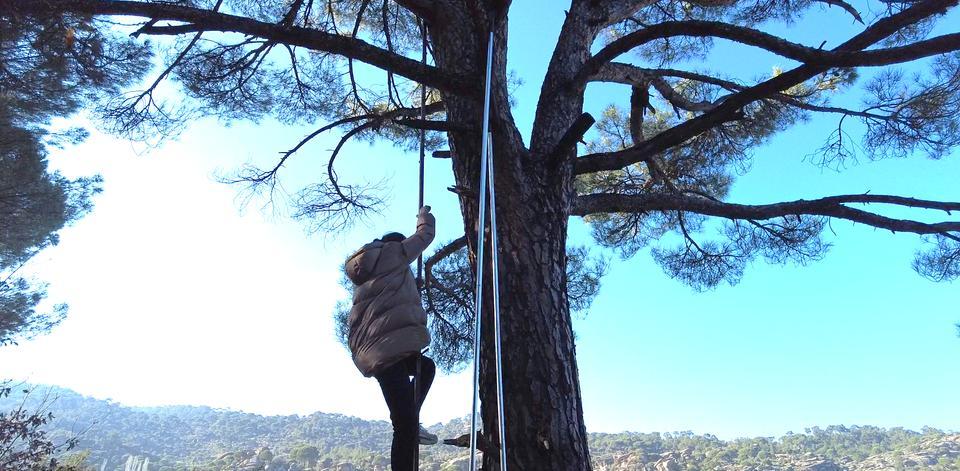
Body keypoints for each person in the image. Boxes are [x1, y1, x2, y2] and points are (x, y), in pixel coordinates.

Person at [344, 205, 439, 471]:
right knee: (403, 425)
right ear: (398, 245)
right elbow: (424, 236)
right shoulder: (393, 253)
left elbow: (387, 300)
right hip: (388, 349)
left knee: (426, 367)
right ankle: (411, 421)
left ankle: (412, 415)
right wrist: (423, 217)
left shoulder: (369, 272)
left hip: (374, 350)